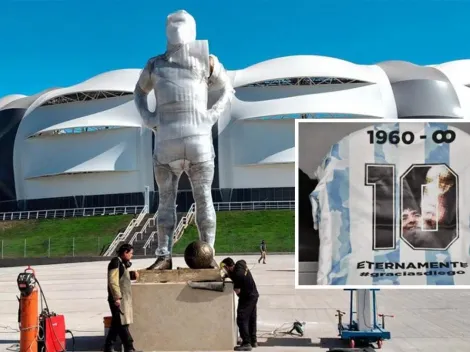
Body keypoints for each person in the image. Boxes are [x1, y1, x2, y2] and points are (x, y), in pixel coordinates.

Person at [133, 10, 235, 271]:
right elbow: (139, 92)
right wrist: (148, 117)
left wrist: (211, 116)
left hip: (193, 139)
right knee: (169, 201)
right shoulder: (156, 64)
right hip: (169, 141)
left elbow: (227, 88)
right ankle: (165, 254)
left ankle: (205, 253)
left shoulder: (206, 60)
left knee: (200, 199)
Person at [104, 244, 139, 352]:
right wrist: (117, 297)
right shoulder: (115, 262)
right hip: (118, 300)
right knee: (122, 324)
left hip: (121, 299)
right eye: (131, 253)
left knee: (117, 324)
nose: (132, 255)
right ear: (125, 253)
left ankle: (108, 347)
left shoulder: (121, 263)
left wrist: (133, 275)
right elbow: (113, 281)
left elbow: (122, 276)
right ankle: (129, 347)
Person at [221, 257, 259, 351]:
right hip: (254, 294)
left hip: (247, 298)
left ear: (227, 267)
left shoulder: (237, 276)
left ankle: (246, 343)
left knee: (242, 318)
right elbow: (243, 266)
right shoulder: (241, 263)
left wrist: (229, 277)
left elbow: (237, 291)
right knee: (251, 318)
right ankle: (253, 340)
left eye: (224, 269)